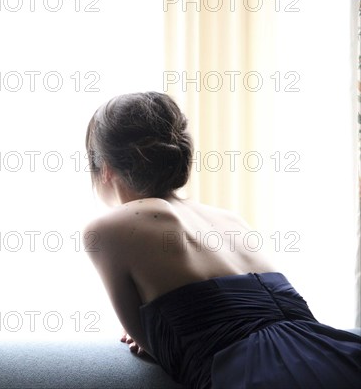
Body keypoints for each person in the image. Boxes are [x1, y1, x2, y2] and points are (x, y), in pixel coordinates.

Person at [82, 91, 361, 388]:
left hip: (257, 378)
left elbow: (153, 346)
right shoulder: (231, 220)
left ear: (106, 169)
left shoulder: (110, 229)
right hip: (337, 356)